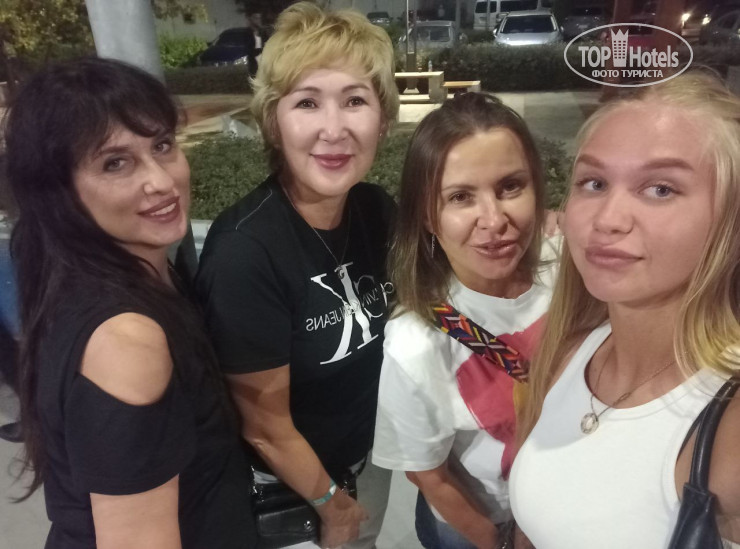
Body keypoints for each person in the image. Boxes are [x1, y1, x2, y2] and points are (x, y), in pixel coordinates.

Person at [5, 57, 256, 548]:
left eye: (162, 145)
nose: (161, 181)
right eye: (115, 163)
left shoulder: (139, 275)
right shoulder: (126, 339)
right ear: (60, 193)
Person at [194, 3, 399, 549]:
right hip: (291, 496)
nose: (334, 129)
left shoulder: (375, 210)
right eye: (307, 102)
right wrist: (333, 505)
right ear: (273, 121)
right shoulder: (245, 252)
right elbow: (263, 425)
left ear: (382, 118)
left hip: (366, 466)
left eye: (355, 100)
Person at [510, 71, 740, 547]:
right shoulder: (571, 352)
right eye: (593, 183)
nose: (608, 219)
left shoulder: (728, 427)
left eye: (661, 189)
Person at [372, 92, 557, 549]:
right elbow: (428, 475)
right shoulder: (417, 341)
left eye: (510, 186)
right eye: (460, 197)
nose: (493, 220)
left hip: (562, 503)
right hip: (482, 525)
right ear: (427, 216)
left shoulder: (569, 273)